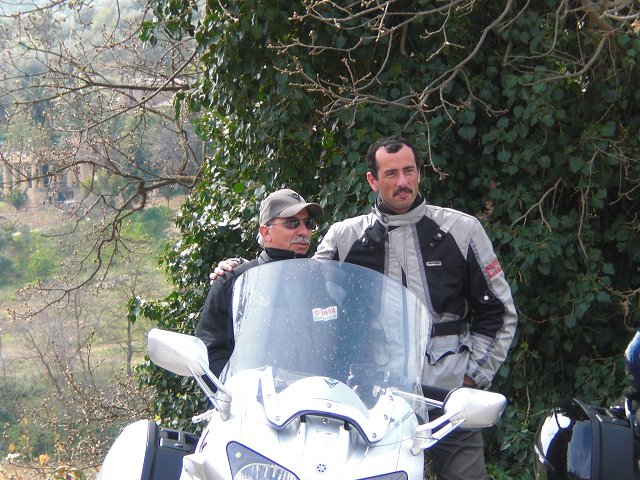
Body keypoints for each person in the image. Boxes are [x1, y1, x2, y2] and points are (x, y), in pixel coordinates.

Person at [212, 136, 517, 480]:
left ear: (419, 173)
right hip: (373, 401)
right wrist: (240, 270)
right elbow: (298, 285)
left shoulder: (462, 230)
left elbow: (498, 311)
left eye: (409, 171)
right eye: (391, 174)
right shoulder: (345, 237)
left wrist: (472, 376)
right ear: (372, 180)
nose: (402, 182)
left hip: (448, 396)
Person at [196, 188, 323, 377]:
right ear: (266, 232)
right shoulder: (233, 281)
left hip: (319, 393)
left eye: (308, 223)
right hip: (255, 395)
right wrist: (237, 390)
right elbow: (209, 352)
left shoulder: (322, 279)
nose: (303, 231)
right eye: (292, 223)